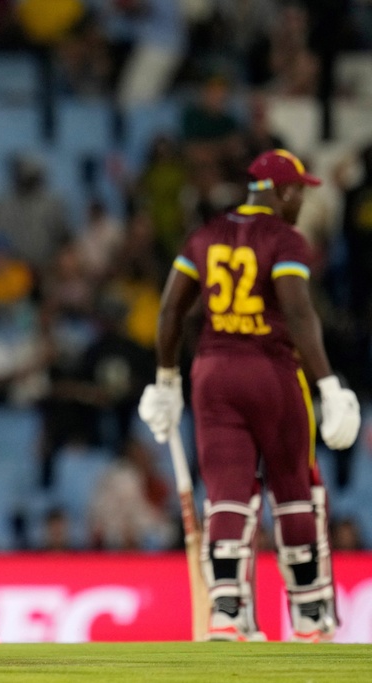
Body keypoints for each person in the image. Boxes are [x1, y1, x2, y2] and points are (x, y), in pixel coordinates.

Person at [137, 149, 361, 643]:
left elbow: (172, 311)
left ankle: (227, 612)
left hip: (212, 374)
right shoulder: (285, 238)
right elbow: (299, 313)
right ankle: (308, 615)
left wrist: (166, 378)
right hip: (272, 372)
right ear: (282, 191)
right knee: (293, 488)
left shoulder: (206, 234)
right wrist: (328, 384)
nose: (302, 201)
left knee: (228, 494)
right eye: (299, 190)